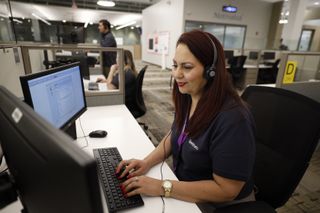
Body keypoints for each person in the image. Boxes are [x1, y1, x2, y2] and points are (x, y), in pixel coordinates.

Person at [116, 30, 256, 212]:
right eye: (175, 65)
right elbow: (176, 133)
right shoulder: (189, 96)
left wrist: (161, 186)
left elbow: (227, 190)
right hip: (185, 188)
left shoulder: (233, 120)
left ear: (211, 70)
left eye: (187, 67)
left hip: (220, 204)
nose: (176, 74)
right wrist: (147, 162)